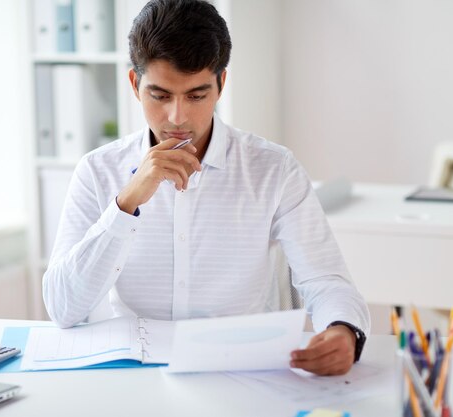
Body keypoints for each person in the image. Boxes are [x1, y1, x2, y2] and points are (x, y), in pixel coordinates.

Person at [43, 0, 370, 376]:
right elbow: (63, 308)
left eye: (196, 96)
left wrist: (344, 330)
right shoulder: (98, 171)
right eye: (160, 95)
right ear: (135, 85)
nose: (177, 118)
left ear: (221, 85)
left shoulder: (274, 170)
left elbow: (325, 279)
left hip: (244, 372)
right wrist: (126, 203)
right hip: (138, 376)